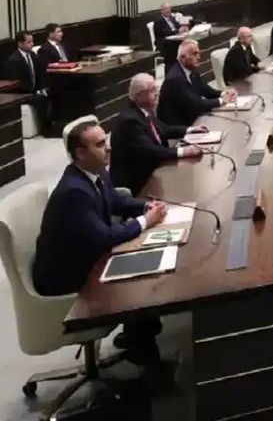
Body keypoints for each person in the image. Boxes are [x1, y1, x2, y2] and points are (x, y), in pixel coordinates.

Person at [31, 120, 170, 369]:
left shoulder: (96, 172)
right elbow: (104, 237)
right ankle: (151, 369)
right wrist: (145, 221)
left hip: (87, 257)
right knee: (138, 283)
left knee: (146, 264)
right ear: (80, 153)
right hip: (66, 278)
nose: (108, 148)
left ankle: (136, 338)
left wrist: (146, 206)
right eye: (100, 144)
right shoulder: (74, 191)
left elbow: (116, 201)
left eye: (106, 141)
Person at [110, 74, 206, 197]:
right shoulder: (130, 121)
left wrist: (190, 129)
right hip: (138, 185)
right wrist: (183, 151)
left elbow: (164, 129)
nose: (156, 93)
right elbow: (151, 151)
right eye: (152, 90)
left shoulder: (142, 111)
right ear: (138, 96)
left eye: (156, 89)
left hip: (154, 171)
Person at [158, 39, 237, 127]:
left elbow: (206, 90)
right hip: (179, 127)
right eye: (194, 54)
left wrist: (224, 93)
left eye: (199, 53)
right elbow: (196, 104)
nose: (199, 57)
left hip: (192, 118)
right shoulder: (175, 78)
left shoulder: (192, 71)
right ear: (183, 57)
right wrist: (222, 100)